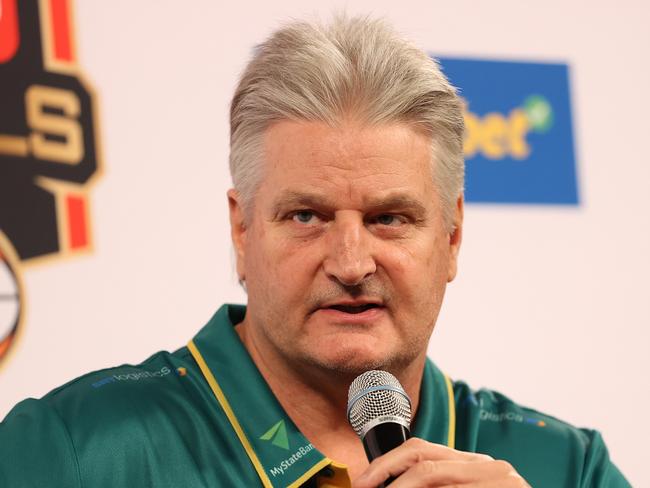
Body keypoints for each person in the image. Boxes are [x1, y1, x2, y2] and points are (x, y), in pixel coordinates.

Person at [0, 15, 630, 488]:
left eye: (389, 218)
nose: (352, 264)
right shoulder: (72, 452)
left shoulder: (569, 468)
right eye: (307, 216)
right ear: (242, 232)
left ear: (453, 237)